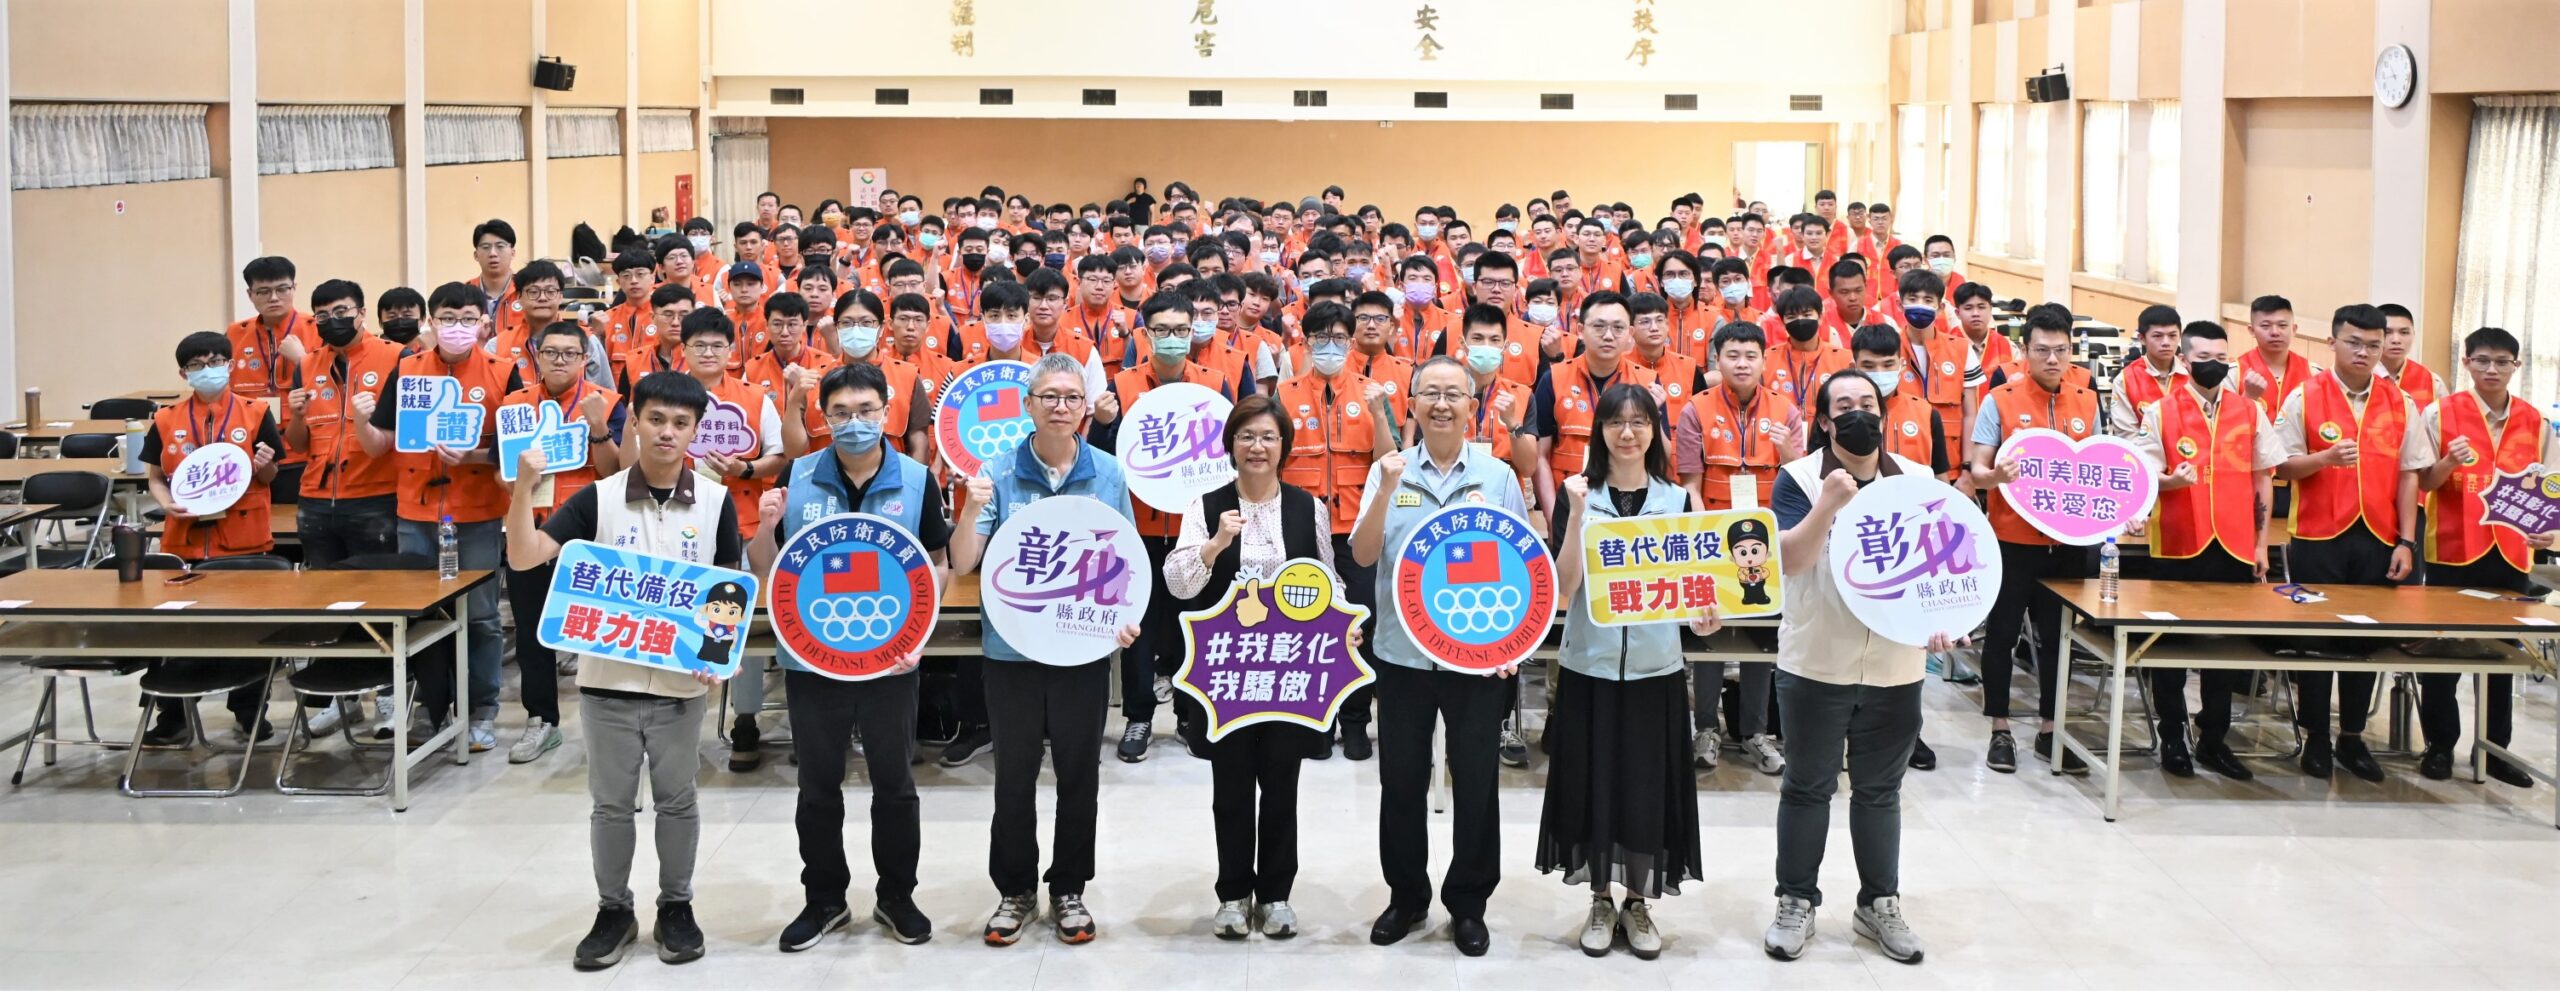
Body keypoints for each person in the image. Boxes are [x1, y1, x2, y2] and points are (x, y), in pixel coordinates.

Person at [504, 370, 732, 972]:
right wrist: (524, 489)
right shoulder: (596, 498)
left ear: (694, 430)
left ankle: (676, 907)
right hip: (607, 682)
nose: (667, 432)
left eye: (681, 423)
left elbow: (727, 590)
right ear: (634, 422)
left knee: (678, 801)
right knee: (611, 805)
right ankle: (614, 910)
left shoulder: (714, 499)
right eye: (655, 419)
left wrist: (714, 655)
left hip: (682, 687)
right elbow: (525, 556)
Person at [946, 353, 1143, 947]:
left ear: (1087, 408)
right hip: (1012, 652)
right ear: (1027, 405)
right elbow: (962, 562)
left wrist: (1125, 619)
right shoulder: (998, 471)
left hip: (1081, 648)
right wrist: (973, 507)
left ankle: (1069, 887)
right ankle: (1014, 889)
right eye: (1049, 396)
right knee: (1014, 775)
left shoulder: (1107, 472)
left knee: (1080, 772)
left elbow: (1125, 562)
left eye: (1072, 398)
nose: (1061, 407)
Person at [748, 362, 945, 952]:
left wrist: (915, 636)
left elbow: (934, 565)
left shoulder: (916, 479)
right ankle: (825, 899)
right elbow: (766, 568)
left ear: (886, 412)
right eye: (840, 413)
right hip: (815, 661)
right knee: (817, 786)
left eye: (865, 411)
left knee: (895, 784)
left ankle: (897, 896)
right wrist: (764, 527)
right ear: (823, 418)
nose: (853, 423)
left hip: (891, 661)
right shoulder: (799, 473)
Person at [1761, 370, 1945, 966]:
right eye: (1845, 406)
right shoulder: (1796, 479)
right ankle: (1795, 900)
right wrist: (1830, 502)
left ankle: (1879, 903)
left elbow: (1943, 562)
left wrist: (1947, 617)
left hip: (1897, 665)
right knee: (1808, 786)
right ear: (1824, 421)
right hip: (1817, 660)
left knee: (1880, 791)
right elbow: (1788, 561)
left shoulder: (1917, 480)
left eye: (1868, 404)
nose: (1859, 414)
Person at [1350, 356, 1528, 958]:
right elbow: (1365, 554)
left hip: (1476, 659)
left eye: (1455, 394)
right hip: (1402, 655)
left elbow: (1523, 566)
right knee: (1400, 780)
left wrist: (1513, 645)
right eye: (1431, 393)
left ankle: (1469, 904)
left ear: (1473, 404)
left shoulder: (1498, 475)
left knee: (1477, 782)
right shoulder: (1389, 470)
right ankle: (1406, 897)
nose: (1444, 404)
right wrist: (1387, 491)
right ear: (1413, 404)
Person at [1543, 382, 1720, 961]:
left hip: (1655, 670)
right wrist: (1571, 518)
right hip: (1588, 667)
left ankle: (1639, 902)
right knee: (1593, 782)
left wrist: (1707, 615)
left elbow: (1700, 595)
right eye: (1616, 422)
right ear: (1599, 430)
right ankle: (1599, 898)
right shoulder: (1578, 495)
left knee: (1647, 787)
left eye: (1640, 422)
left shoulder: (1678, 501)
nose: (1627, 433)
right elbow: (1564, 589)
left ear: (1655, 432)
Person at [1163, 394, 1335, 939]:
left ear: (1283, 446)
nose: (1256, 447)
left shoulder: (1310, 508)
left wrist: (1345, 622)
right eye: (1246, 437)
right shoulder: (1206, 504)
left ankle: (1278, 895)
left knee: (1283, 784)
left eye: (1267, 437)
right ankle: (1234, 893)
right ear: (1230, 445)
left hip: (1290, 674)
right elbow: (1179, 583)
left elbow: (1330, 583)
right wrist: (1216, 543)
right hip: (1226, 676)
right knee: (1231, 786)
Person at [2271, 304, 2430, 781]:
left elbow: (2410, 476)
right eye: (2354, 342)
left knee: (2365, 641)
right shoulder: (2305, 395)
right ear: (2332, 343)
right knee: (2317, 643)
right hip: (2319, 537)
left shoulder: (2399, 402)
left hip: (2379, 538)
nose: (2363, 352)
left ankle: (2353, 738)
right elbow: (2281, 467)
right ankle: (2316, 737)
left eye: (2373, 345)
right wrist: (2323, 458)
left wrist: (2406, 541)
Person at [356, 282, 511, 750]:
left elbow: (515, 453)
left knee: (482, 616)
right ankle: (433, 707)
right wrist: (362, 421)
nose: (456, 328)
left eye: (467, 319)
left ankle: (482, 708)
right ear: (431, 322)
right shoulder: (407, 372)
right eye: (447, 318)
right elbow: (381, 445)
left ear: (483, 323)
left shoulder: (505, 373)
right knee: (423, 615)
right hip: (417, 512)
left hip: (479, 512)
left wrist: (474, 457)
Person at [1089, 292, 1243, 760]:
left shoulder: (1215, 385)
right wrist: (1099, 424)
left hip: (1200, 532)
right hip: (1138, 528)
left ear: (1194, 330)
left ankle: (1190, 715)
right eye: (1162, 330)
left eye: (1181, 330)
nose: (1172, 339)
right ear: (1145, 334)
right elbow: (1101, 458)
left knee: (1197, 624)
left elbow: (1234, 454)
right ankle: (1138, 719)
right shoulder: (1122, 384)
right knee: (1139, 627)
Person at [2125, 321, 2282, 780]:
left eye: (2221, 358)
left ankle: (2214, 736)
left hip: (2233, 546)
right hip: (2177, 544)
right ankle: (2172, 735)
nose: (2212, 366)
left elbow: (2263, 477)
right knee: (2169, 648)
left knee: (2222, 650)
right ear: (2184, 361)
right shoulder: (2160, 411)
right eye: (2203, 359)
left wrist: (2260, 544)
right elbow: (2145, 475)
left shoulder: (2250, 411)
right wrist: (2170, 482)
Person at [136, 331, 286, 745]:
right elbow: (155, 477)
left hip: (243, 539)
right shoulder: (165, 419)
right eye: (198, 365)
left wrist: (264, 465)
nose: (209, 370)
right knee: (181, 631)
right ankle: (173, 715)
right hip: (184, 541)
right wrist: (166, 504)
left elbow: (272, 474)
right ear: (184, 373)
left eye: (217, 361)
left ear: (231, 364)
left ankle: (251, 710)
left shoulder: (256, 413)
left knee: (247, 631)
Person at [1967, 304, 2098, 774]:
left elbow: (2098, 472)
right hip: (2011, 540)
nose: (2052, 360)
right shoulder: (1998, 399)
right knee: (2001, 635)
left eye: (2061, 351)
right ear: (2024, 351)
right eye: (2041, 350)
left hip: (2066, 545)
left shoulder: (2086, 400)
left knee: (2058, 640)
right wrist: (1995, 474)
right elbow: (1977, 472)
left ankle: (2051, 729)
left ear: (2071, 351)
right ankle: (2000, 728)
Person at [2415, 326, 2546, 787]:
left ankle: (2494, 751)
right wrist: (2449, 462)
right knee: (2444, 654)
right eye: (2483, 360)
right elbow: (2424, 484)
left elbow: (2547, 490)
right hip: (2452, 549)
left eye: (2503, 361)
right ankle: (2438, 746)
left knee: (2501, 656)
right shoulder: (2440, 412)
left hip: (2510, 556)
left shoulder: (2535, 421)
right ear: (2466, 362)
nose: (2493, 369)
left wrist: (2545, 530)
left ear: (2516, 366)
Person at [664, 308, 790, 769]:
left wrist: (747, 469)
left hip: (747, 522)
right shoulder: (665, 396)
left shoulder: (755, 397)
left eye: (718, 345)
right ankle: (678, 721)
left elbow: (779, 456)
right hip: (682, 523)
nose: (710, 352)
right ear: (685, 349)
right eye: (700, 345)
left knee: (746, 622)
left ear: (731, 350)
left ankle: (746, 718)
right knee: (687, 617)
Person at [496, 319, 625, 764]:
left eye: (569, 353)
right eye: (551, 352)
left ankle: (609, 722)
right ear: (536, 355)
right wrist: (520, 481)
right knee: (532, 632)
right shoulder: (514, 406)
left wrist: (597, 428)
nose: (559, 361)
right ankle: (541, 721)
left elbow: (614, 473)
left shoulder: (607, 403)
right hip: (528, 527)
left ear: (586, 358)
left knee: (600, 629)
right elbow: (500, 471)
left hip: (588, 531)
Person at [1674, 320, 1800, 773]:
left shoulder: (1786, 411)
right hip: (1712, 536)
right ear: (1717, 360)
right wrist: (1701, 541)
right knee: (1711, 634)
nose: (1742, 363)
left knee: (1761, 638)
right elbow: (1689, 482)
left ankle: (1754, 731)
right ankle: (1705, 726)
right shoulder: (1696, 409)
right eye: (1732, 355)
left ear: (1765, 360)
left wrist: (1788, 455)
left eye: (1750, 355)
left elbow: (1797, 483)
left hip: (1768, 543)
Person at [1277, 303, 1395, 759]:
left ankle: (1355, 721)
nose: (1332, 347)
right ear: (1306, 343)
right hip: (1301, 527)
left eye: (1340, 338)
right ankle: (1313, 721)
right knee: (1305, 624)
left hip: (1355, 528)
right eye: (1321, 338)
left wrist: (1379, 414)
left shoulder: (1372, 391)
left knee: (1359, 622)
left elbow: (1387, 462)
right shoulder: (1284, 395)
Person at [228, 256, 316, 497]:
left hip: (304, 451)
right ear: (250, 294)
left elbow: (336, 383)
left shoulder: (316, 328)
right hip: (252, 452)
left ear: (294, 288)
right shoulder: (236, 333)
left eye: (282, 289)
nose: (274, 298)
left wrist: (303, 360)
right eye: (264, 291)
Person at [2109, 305, 2187, 437]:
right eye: (2157, 336)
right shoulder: (2125, 380)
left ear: (2180, 336)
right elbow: (2128, 436)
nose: (2166, 342)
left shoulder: (2192, 374)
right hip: (2144, 455)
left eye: (2172, 335)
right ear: (2142, 338)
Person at [2376, 303, 2442, 411]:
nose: (2396, 340)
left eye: (2404, 332)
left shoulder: (2432, 382)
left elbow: (2441, 424)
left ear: (2413, 334)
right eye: (2387, 332)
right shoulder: (2359, 378)